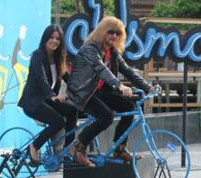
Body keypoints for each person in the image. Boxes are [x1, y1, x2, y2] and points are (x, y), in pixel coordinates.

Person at [66, 16, 157, 168]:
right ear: (102, 32)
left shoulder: (112, 52)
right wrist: (119, 86)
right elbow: (101, 69)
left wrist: (148, 87)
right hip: (82, 92)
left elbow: (127, 71)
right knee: (106, 116)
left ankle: (119, 148)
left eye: (118, 33)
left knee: (131, 108)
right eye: (111, 32)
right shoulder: (90, 49)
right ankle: (78, 147)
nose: (114, 36)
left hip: (100, 91)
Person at [18, 24, 77, 166]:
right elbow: (41, 79)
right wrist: (52, 96)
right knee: (58, 122)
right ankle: (35, 146)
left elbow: (69, 79)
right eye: (51, 37)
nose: (54, 41)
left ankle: (68, 149)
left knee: (72, 110)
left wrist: (83, 90)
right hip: (33, 101)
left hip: (46, 100)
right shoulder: (38, 56)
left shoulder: (58, 58)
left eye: (58, 39)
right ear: (45, 38)